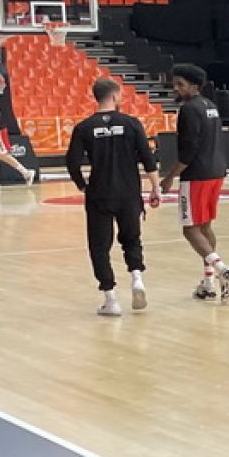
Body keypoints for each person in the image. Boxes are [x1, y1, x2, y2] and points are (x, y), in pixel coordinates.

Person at [67, 78, 162, 317]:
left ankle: (111, 298)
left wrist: (82, 185)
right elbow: (148, 158)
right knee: (132, 238)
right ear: (115, 95)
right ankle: (137, 278)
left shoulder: (84, 127)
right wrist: (155, 187)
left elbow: (72, 162)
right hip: (128, 192)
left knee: (99, 246)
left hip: (99, 193)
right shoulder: (131, 123)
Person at [159, 64, 229, 302]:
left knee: (190, 228)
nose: (175, 88)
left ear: (194, 86)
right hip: (217, 171)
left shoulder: (188, 109)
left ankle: (223, 269)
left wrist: (170, 177)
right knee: (204, 227)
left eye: (180, 84)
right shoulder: (210, 106)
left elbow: (188, 150)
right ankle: (208, 283)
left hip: (197, 175)